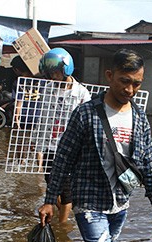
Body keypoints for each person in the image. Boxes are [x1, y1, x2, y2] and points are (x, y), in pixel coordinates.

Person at [38, 48, 152, 242]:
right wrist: (50, 200)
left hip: (120, 202)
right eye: (124, 81)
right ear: (110, 76)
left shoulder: (139, 118)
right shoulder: (86, 113)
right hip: (88, 202)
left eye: (136, 83)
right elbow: (63, 158)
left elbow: (148, 162)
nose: (130, 89)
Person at [36, 48, 91, 222]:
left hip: (71, 149)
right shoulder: (47, 90)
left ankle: (63, 226)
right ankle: (63, 213)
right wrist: (39, 148)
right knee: (52, 185)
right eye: (50, 73)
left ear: (66, 69)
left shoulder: (81, 93)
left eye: (56, 72)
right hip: (51, 146)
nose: (53, 76)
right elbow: (43, 119)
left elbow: (87, 123)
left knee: (66, 190)